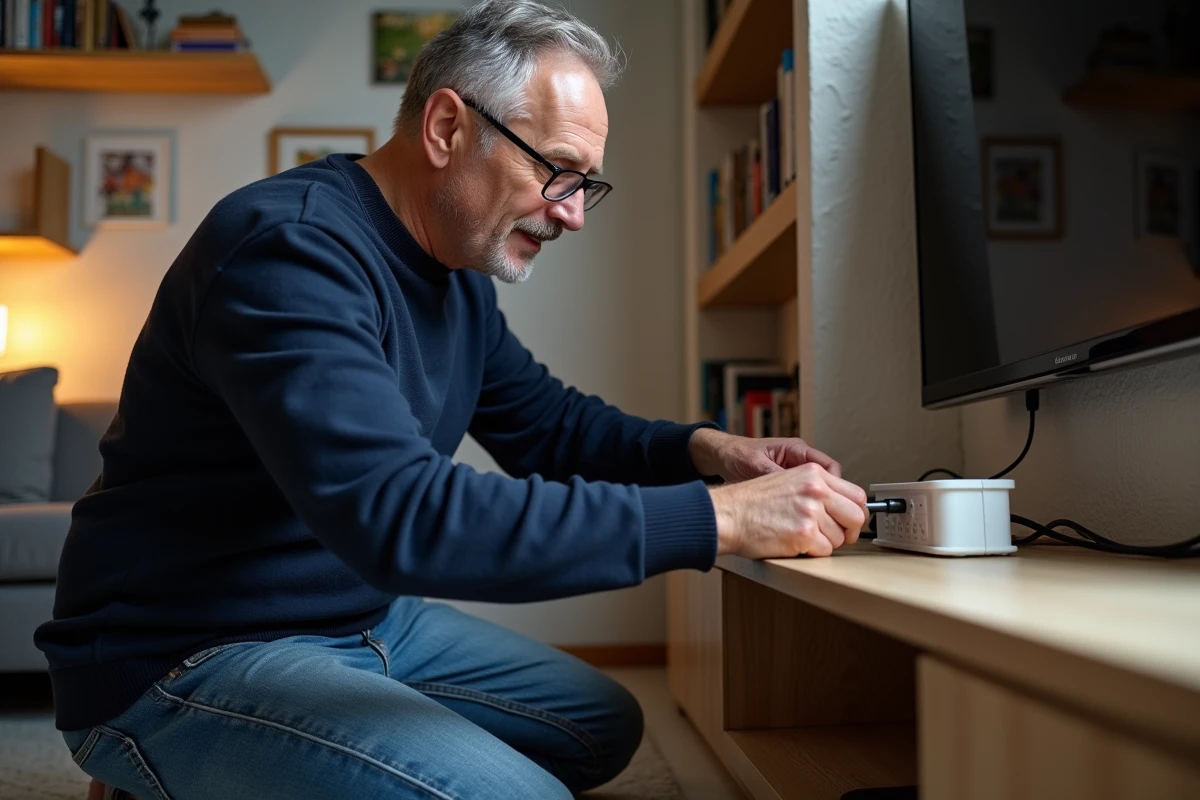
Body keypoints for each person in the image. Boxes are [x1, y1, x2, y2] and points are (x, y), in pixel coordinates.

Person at [35, 1, 868, 797]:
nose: (574, 215)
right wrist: (721, 520)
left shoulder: (456, 280)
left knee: (602, 727)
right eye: (558, 173)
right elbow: (406, 518)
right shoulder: (287, 253)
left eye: (587, 184)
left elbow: (550, 426)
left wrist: (709, 450)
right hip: (187, 651)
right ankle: (160, 757)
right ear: (447, 128)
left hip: (364, 624)